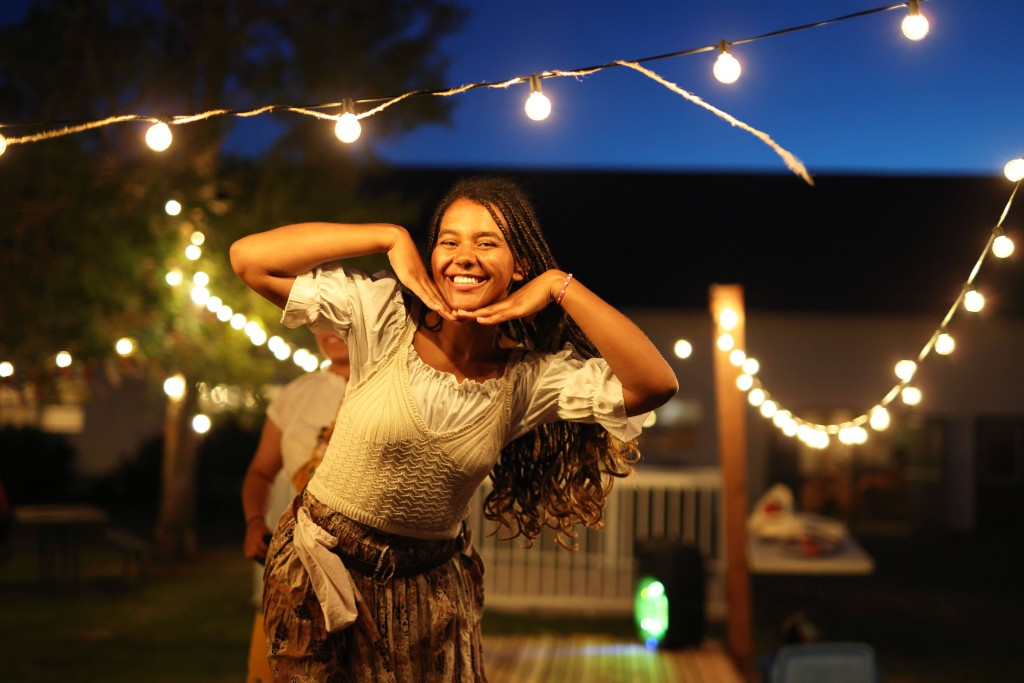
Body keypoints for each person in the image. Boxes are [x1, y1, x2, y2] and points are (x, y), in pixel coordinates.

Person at [229, 175, 678, 682]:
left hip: (429, 592)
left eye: (487, 243)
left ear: (519, 267)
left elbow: (654, 384)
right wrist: (389, 236)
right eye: (449, 241)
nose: (465, 256)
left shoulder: (527, 380)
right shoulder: (383, 318)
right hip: (321, 571)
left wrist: (559, 285)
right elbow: (249, 259)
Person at [241, 332, 350, 683]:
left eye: (339, 313)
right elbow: (260, 472)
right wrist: (254, 522)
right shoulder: (297, 395)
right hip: (296, 564)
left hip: (367, 566)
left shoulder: (394, 385)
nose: (327, 327)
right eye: (319, 318)